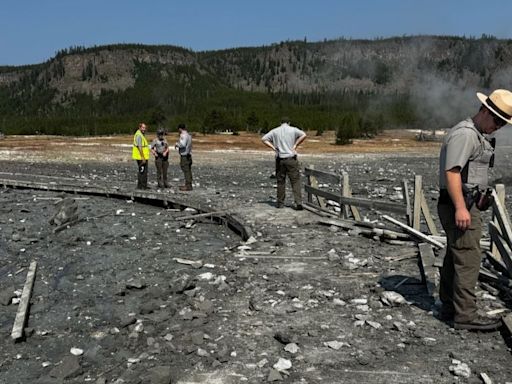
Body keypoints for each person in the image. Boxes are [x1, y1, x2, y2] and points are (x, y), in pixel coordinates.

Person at [437, 89, 512, 331]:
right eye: (497, 120)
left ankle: (450, 306)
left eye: (503, 123)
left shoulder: (474, 134)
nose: (498, 127)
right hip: (461, 205)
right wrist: (461, 207)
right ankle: (466, 315)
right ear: (485, 111)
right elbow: (452, 172)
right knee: (468, 258)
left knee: (456, 254)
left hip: (465, 204)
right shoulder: (466, 135)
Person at [262, 117, 307, 210]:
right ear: (289, 122)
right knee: (295, 181)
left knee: (281, 181)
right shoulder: (293, 130)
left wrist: (273, 147)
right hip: (291, 158)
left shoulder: (275, 131)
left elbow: (264, 139)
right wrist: (295, 145)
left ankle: (280, 203)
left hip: (280, 158)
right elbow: (304, 135)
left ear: (280, 122)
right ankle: (298, 202)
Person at [132, 122, 150, 190]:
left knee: (142, 171)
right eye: (143, 127)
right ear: (139, 128)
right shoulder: (139, 135)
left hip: (142, 156)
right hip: (141, 157)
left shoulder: (140, 134)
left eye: (145, 128)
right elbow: (140, 147)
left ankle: (142, 185)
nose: (144, 129)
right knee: (143, 171)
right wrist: (143, 157)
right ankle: (142, 186)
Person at [175, 123, 193, 191]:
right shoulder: (189, 135)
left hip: (184, 155)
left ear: (180, 128)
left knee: (186, 170)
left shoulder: (183, 135)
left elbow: (182, 144)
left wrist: (177, 144)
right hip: (189, 154)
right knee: (188, 170)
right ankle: (189, 183)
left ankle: (188, 185)